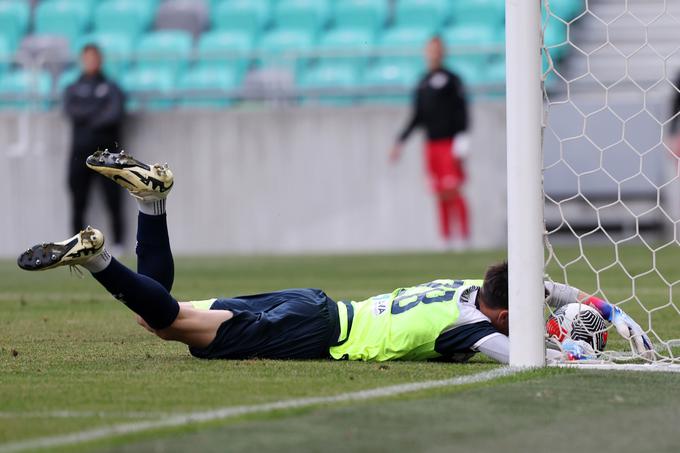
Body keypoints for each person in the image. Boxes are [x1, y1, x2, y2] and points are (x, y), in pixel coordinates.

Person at [17, 151, 654, 363]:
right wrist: (582, 342)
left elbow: (542, 291)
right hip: (315, 330)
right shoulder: (473, 330)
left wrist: (607, 309)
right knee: (169, 325)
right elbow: (526, 353)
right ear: (502, 312)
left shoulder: (472, 290)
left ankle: (151, 207)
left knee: (160, 315)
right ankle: (98, 258)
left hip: (321, 305)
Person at [390, 36, 470, 249]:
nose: (433, 53)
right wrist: (400, 141)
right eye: (430, 49)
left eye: (437, 49)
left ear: (442, 52)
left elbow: (462, 110)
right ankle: (446, 239)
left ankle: (464, 236)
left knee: (454, 189)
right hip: (431, 145)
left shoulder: (452, 79)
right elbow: (417, 116)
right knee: (439, 192)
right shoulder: (422, 81)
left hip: (449, 143)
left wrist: (462, 137)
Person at [64, 44, 126, 253]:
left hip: (107, 156)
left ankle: (119, 243)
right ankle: (77, 245)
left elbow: (114, 113)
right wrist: (97, 110)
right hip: (79, 155)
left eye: (94, 58)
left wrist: (88, 114)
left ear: (100, 60)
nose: (91, 62)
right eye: (87, 58)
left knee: (114, 199)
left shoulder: (111, 87)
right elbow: (72, 111)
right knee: (78, 201)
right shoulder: (73, 88)